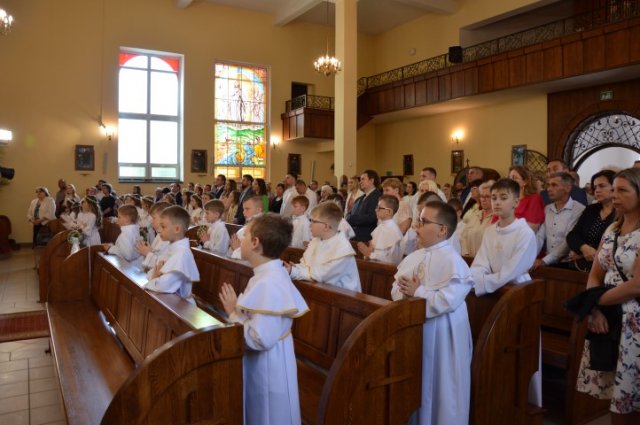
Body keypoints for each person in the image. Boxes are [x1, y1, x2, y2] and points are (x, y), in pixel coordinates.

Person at [219, 214, 309, 425]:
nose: (240, 240)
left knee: (268, 415)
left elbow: (259, 339)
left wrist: (233, 313)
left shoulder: (269, 283)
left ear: (255, 243)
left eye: (245, 235)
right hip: (271, 360)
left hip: (268, 367)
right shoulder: (268, 274)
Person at [391, 201, 473, 425]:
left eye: (423, 222)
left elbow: (448, 301)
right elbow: (395, 289)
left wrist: (417, 291)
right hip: (417, 332)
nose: (417, 226)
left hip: (444, 335)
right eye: (418, 220)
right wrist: (404, 292)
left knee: (442, 387)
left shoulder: (454, 262)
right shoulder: (415, 256)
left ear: (442, 230)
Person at [576, 168, 640, 425]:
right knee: (616, 395)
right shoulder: (612, 228)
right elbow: (595, 273)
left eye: (622, 190)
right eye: (613, 190)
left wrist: (594, 301)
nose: (614, 195)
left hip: (634, 321)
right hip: (609, 316)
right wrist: (594, 310)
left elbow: (637, 285)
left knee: (632, 396)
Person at [471, 179, 538, 296]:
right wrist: (475, 278)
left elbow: (513, 271)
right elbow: (480, 263)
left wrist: (483, 283)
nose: (497, 202)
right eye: (494, 198)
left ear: (516, 202)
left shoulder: (524, 233)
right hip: (492, 288)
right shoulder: (489, 231)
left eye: (503, 198)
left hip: (517, 290)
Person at [286, 202, 361, 292]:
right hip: (321, 292)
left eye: (313, 221)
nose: (310, 224)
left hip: (342, 297)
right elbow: (306, 265)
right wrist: (295, 268)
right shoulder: (316, 240)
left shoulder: (343, 250)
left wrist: (293, 271)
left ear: (326, 226)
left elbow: (321, 276)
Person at [144, 206, 199, 301]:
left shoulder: (181, 255)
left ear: (177, 229)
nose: (159, 230)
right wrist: (154, 277)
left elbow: (163, 286)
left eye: (163, 226)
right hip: (167, 300)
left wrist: (154, 278)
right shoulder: (172, 249)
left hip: (180, 305)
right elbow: (152, 272)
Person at [533, 172, 586, 269]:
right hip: (547, 262)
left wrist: (545, 261)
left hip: (567, 264)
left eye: (554, 185)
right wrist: (530, 257)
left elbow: (568, 240)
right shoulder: (548, 208)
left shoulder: (579, 209)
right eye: (548, 185)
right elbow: (540, 236)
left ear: (567, 188)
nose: (549, 189)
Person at [566, 170, 616, 272]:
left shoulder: (622, 213)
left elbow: (615, 244)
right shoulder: (591, 209)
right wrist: (583, 248)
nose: (597, 190)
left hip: (607, 269)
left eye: (602, 186)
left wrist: (583, 254)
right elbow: (572, 235)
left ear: (614, 187)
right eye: (595, 187)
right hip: (581, 268)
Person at [357, 195, 403, 265]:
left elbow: (392, 261)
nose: (375, 210)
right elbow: (373, 250)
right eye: (376, 207)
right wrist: (367, 251)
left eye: (379, 208)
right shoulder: (380, 227)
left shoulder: (393, 232)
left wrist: (369, 254)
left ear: (389, 211)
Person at [459, 180, 494, 257]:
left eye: (487, 196)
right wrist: (466, 254)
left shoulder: (497, 217)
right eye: (482, 196)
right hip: (469, 259)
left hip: (486, 260)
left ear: (494, 198)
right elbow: (463, 237)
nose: (483, 199)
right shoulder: (475, 215)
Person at [346, 170, 381, 242]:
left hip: (366, 238)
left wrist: (352, 218)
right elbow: (350, 213)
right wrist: (349, 217)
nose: (360, 182)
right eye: (360, 179)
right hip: (354, 236)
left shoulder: (378, 197)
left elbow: (372, 217)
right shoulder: (359, 198)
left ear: (371, 181)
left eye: (363, 179)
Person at [508, 165, 545, 231]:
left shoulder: (534, 199)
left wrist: (507, 227)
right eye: (509, 178)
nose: (510, 181)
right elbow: (495, 221)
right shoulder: (506, 199)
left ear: (525, 182)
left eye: (514, 178)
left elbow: (533, 227)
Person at [137, 202, 171, 269]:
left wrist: (148, 253)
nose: (152, 221)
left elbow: (164, 265)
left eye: (154, 218)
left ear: (165, 219)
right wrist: (146, 252)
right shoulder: (159, 234)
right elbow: (154, 253)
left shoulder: (169, 239)